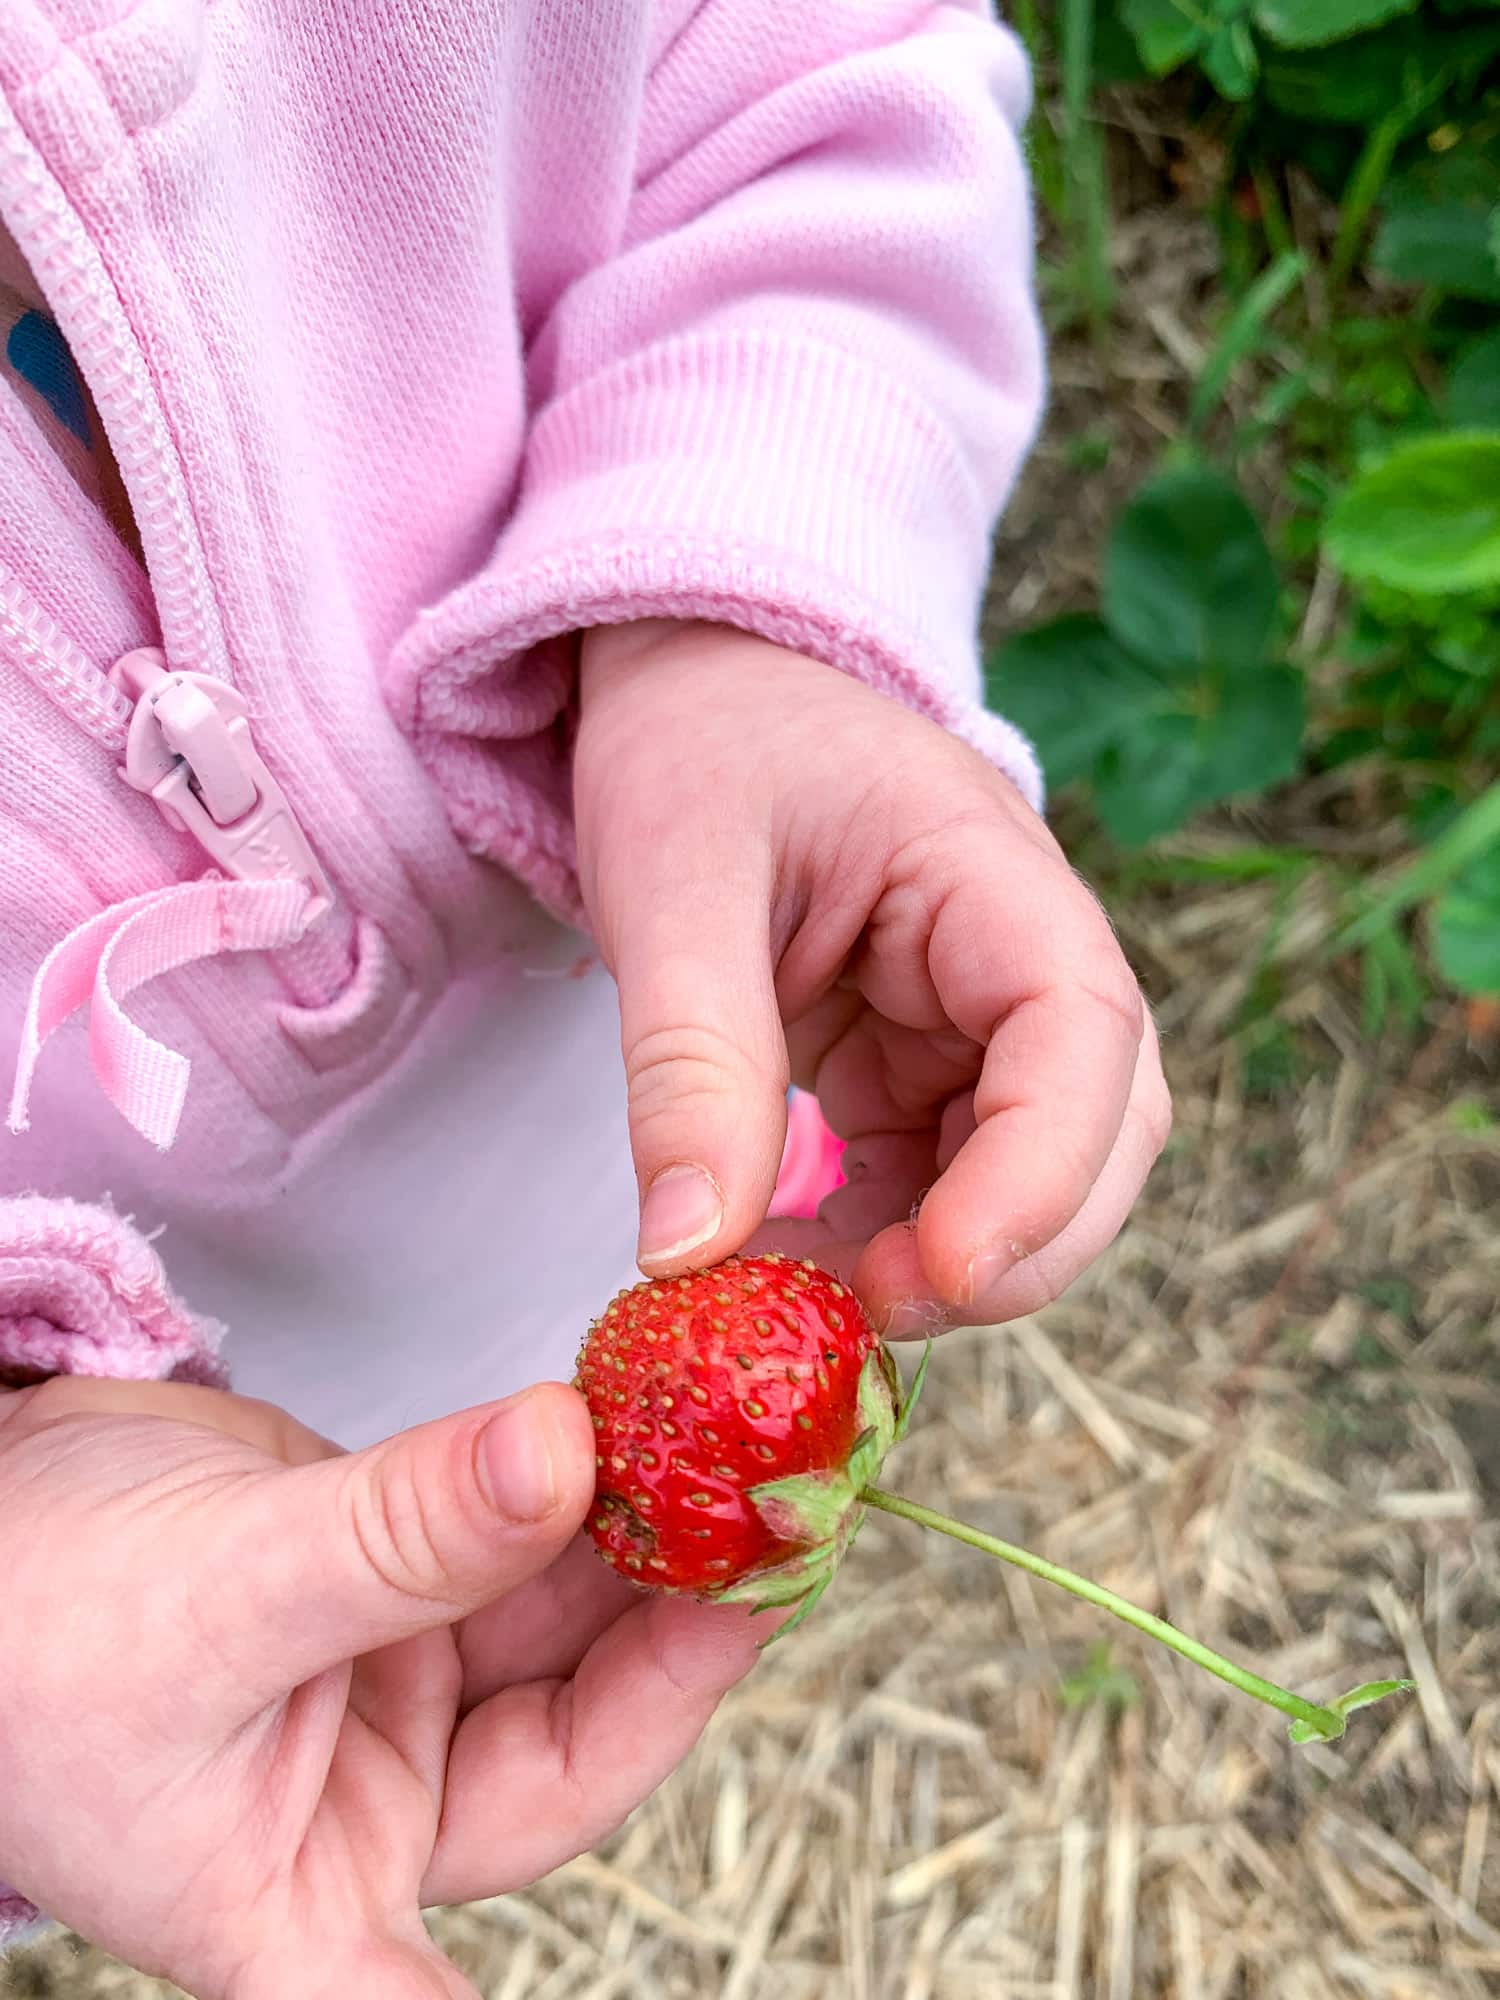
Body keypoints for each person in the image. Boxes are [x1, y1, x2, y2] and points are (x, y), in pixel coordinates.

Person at [0, 4, 1170, 1993]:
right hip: (125, 1533)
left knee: (625, 1259)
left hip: (582, 1089)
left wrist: (733, 608)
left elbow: (805, 68)